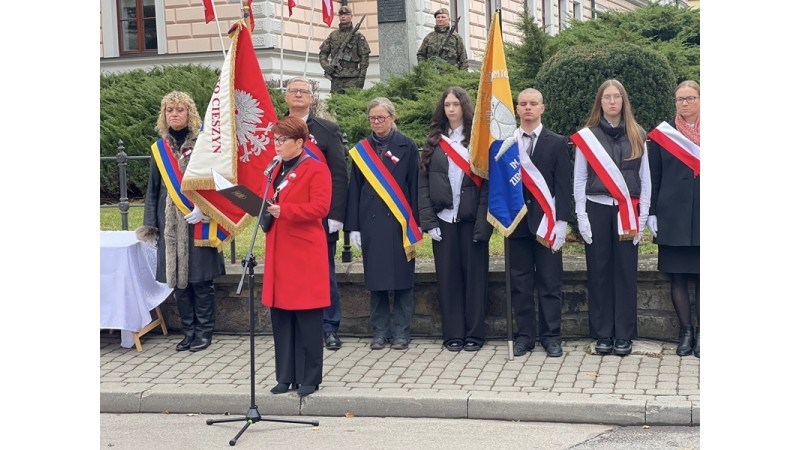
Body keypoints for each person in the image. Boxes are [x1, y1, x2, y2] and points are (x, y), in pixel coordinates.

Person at [138, 91, 226, 352]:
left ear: (190, 113)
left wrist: (205, 209)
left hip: (199, 218)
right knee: (178, 280)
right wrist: (151, 225)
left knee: (200, 280)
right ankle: (189, 331)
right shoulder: (160, 149)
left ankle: (204, 332)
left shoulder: (204, 143)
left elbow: (218, 181)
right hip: (169, 221)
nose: (174, 114)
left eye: (180, 109)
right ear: (164, 115)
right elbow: (153, 189)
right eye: (169, 110)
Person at [572, 79, 651, 357]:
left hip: (627, 211)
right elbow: (579, 178)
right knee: (599, 272)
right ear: (600, 102)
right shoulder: (588, 136)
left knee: (626, 273)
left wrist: (643, 216)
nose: (612, 101)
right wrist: (581, 215)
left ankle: (624, 335)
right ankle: (603, 333)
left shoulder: (637, 134)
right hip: (597, 208)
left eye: (617, 96)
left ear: (624, 101)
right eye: (607, 97)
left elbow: (645, 177)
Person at [261, 116, 332, 397]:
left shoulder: (316, 168)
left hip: (304, 253)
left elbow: (321, 208)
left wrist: (286, 211)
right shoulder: (274, 169)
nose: (276, 145)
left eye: (282, 140)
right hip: (279, 250)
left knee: (307, 316)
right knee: (281, 316)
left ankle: (310, 378)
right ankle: (285, 376)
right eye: (275, 139)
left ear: (299, 142)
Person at [418, 87, 491, 352]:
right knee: (448, 280)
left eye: (456, 104)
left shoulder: (477, 140)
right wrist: (429, 222)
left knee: (475, 280)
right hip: (444, 220)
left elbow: (487, 186)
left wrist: (483, 225)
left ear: (464, 107)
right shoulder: (434, 142)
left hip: (471, 220)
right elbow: (423, 185)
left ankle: (474, 334)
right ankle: (453, 334)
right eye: (447, 104)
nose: (451, 109)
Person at [345, 97, 421, 351]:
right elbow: (355, 189)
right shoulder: (361, 150)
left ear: (392, 118)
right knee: (376, 281)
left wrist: (417, 222)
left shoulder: (407, 145)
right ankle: (379, 332)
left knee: (403, 281)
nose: (376, 122)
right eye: (372, 118)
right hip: (371, 222)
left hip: (400, 222)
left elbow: (415, 185)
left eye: (381, 117)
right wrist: (353, 226)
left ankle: (401, 332)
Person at [282, 77, 349, 351]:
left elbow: (339, 175)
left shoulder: (327, 130)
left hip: (318, 218)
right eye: (293, 91)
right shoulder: (276, 130)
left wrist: (336, 215)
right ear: (286, 97)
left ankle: (329, 326)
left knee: (324, 274)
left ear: (312, 98)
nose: (298, 95)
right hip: (286, 217)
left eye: (304, 92)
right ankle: (297, 325)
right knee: (291, 274)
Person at [506, 88, 572, 358]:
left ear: (542, 108)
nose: (528, 108)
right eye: (523, 103)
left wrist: (562, 222)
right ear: (517, 109)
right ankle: (524, 336)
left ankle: (551, 336)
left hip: (547, 224)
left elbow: (564, 185)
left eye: (533, 103)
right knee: (520, 283)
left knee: (550, 283)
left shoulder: (557, 142)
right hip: (517, 223)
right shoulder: (507, 144)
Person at [647, 80, 700, 358]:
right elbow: (653, 176)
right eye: (680, 99)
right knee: (677, 276)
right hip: (672, 215)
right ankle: (686, 332)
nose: (685, 103)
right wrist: (652, 212)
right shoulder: (663, 135)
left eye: (690, 98)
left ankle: (704, 334)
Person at [318, 5, 371, 94]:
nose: (343, 16)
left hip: (352, 78)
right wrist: (326, 65)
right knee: (336, 102)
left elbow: (364, 59)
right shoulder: (333, 35)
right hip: (336, 78)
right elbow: (323, 53)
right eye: (341, 14)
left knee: (351, 102)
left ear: (351, 16)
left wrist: (361, 79)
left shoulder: (358, 36)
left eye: (346, 14)